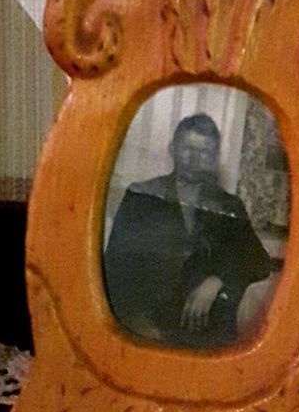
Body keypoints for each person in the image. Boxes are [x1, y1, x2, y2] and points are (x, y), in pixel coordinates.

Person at [103, 113, 271, 349]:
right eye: (187, 148)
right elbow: (115, 267)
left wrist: (217, 280)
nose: (194, 159)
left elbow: (259, 261)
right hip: (149, 328)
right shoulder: (142, 196)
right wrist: (135, 324)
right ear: (172, 149)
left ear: (214, 158)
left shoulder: (229, 205)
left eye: (205, 152)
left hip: (209, 334)